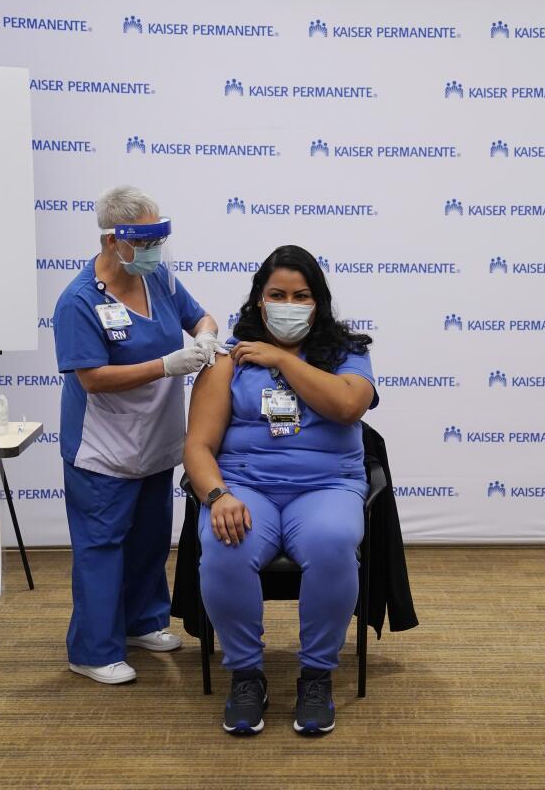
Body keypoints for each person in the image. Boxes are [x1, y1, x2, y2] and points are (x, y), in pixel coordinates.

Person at [183, 245, 378, 737]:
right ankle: (247, 676)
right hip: (246, 486)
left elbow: (349, 406)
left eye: (301, 295)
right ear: (258, 300)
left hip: (327, 484)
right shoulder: (227, 360)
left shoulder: (347, 352)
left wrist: (283, 361)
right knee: (225, 545)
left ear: (319, 303)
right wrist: (217, 496)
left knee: (333, 542)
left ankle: (316, 677)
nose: (288, 304)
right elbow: (198, 447)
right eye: (277, 294)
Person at [53, 186, 228, 684]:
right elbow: (91, 377)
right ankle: (91, 649)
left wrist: (206, 337)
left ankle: (143, 621)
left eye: (159, 237)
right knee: (102, 547)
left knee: (150, 541)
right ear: (113, 241)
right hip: (103, 449)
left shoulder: (158, 280)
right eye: (145, 240)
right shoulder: (79, 301)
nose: (154, 249)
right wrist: (167, 365)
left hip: (156, 442)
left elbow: (201, 316)